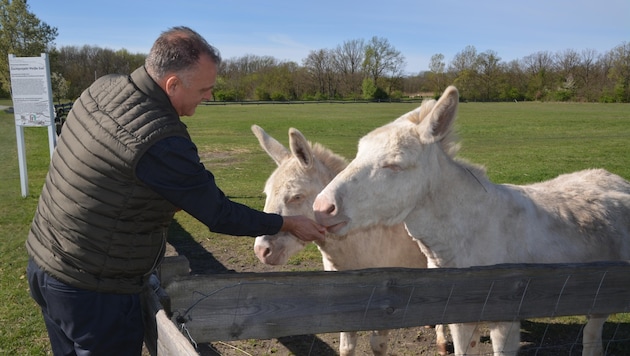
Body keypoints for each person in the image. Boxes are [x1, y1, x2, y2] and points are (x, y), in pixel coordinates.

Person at [25, 26, 326, 356]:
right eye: (204, 88)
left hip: (45, 265)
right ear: (172, 84)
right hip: (95, 291)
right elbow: (218, 213)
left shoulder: (103, 87)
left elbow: (104, 168)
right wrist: (285, 224)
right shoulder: (160, 138)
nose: (209, 96)